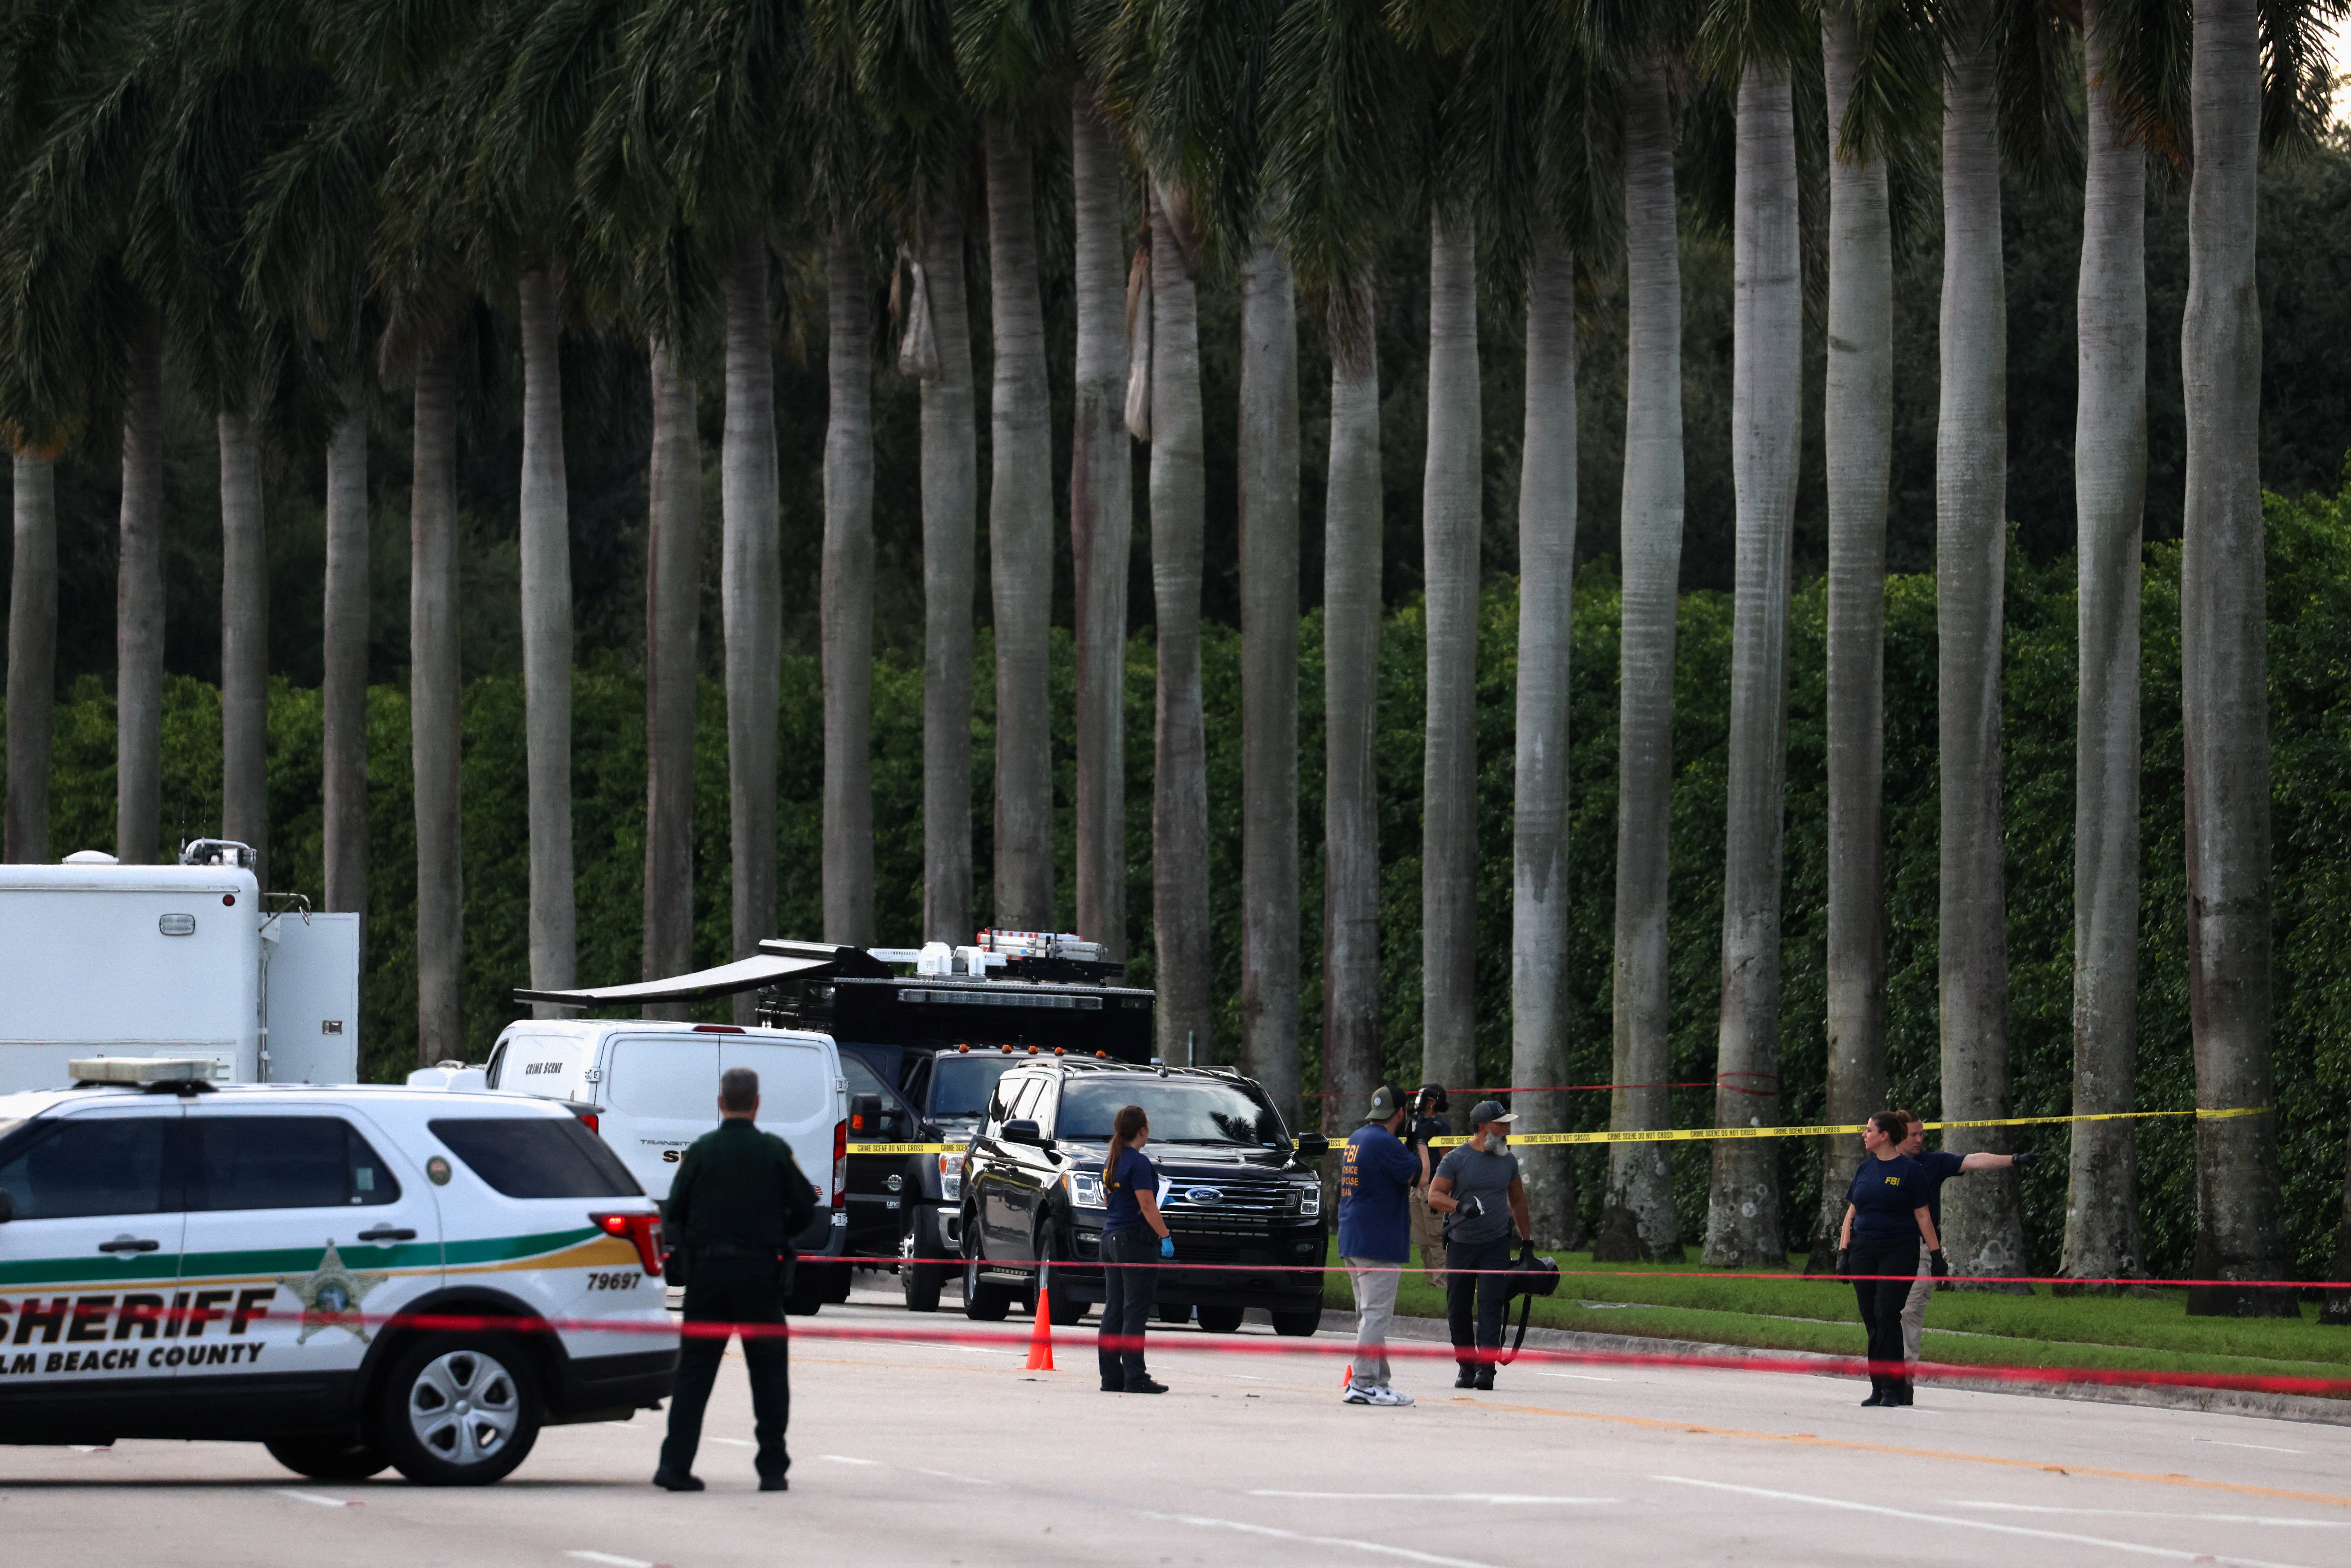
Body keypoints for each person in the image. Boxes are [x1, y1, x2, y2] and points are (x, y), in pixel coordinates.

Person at [655, 1065, 818, 1492]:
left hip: (707, 1276)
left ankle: (674, 1465)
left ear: (720, 1102)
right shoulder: (774, 1151)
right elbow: (805, 1207)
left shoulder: (702, 1151)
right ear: (757, 1103)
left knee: (694, 1374)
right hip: (759, 1276)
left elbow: (672, 1209)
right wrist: (777, 1228)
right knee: (768, 1374)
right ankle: (772, 1468)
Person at [1895, 1110, 2035, 1383]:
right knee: (1883, 1313)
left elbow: (1973, 1160)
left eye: (1922, 1133)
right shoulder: (1879, 1166)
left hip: (1919, 1250)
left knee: (1909, 1311)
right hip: (1884, 1249)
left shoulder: (1932, 1163)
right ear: (1897, 1134)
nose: (1920, 1139)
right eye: (1914, 1134)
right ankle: (1883, 1375)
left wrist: (2014, 1159)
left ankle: (1903, 1377)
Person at [1836, 1110, 1942, 1409]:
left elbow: (1923, 1215)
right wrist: (1844, 1252)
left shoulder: (1910, 1171)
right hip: (1863, 1251)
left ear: (1884, 1136)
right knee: (1871, 1317)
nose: (1864, 1134)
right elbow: (1851, 1214)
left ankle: (1895, 1388)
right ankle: (1878, 1386)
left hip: (1899, 1249)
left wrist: (1936, 1255)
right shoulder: (1864, 1170)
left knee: (1886, 1312)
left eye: (1869, 1130)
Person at [1426, 1099, 1531, 1391]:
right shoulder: (1456, 1159)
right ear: (1484, 1127)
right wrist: (1461, 1206)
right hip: (1461, 1244)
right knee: (1458, 1308)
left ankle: (1487, 1368)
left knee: (1491, 1304)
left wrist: (1527, 1241)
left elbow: (1518, 1200)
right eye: (1502, 1124)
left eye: (1508, 1124)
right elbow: (1434, 1195)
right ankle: (1466, 1365)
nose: (1507, 1129)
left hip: (1496, 1244)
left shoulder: (1508, 1160)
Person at [1338, 1083, 1431, 1407]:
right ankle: (1363, 1384)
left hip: (1353, 1237)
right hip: (1377, 1241)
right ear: (1401, 1113)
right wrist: (1421, 1141)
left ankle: (1378, 1381)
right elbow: (1421, 1178)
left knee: (1368, 1316)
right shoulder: (1385, 1143)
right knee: (1376, 1316)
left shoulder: (1358, 1138)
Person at [1097, 1104, 1173, 1394]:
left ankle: (1111, 1376)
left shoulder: (1113, 1159)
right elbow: (1146, 1204)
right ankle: (1136, 1377)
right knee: (1135, 1311)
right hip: (1134, 1242)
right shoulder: (1139, 1163)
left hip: (1111, 1239)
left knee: (1114, 1309)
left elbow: (1109, 1201)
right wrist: (1165, 1235)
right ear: (1143, 1130)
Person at [1404, 1085, 1452, 1286]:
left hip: (1432, 1184)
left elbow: (1447, 1159)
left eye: (1421, 1097)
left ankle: (1444, 1282)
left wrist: (1443, 1190)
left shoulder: (1440, 1126)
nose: (1417, 1100)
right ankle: (1432, 1280)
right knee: (1422, 1238)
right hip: (1416, 1186)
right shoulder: (1415, 1124)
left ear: (1432, 1102)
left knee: (1435, 1236)